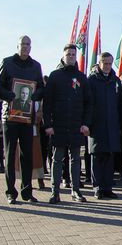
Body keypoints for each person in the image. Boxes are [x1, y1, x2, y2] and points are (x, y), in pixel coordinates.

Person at [0, 35, 44, 204]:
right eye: (22, 44)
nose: (25, 47)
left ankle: (27, 191)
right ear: (17, 46)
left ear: (31, 47)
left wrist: (33, 96)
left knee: (27, 155)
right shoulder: (7, 62)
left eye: (28, 44)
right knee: (9, 156)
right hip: (9, 117)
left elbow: (41, 88)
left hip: (27, 117)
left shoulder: (36, 66)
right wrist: (10, 96)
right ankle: (10, 192)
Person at [43, 44, 91, 203]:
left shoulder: (81, 77)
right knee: (57, 160)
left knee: (76, 160)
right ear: (63, 56)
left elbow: (88, 103)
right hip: (58, 125)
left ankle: (76, 190)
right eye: (68, 54)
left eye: (73, 54)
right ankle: (54, 192)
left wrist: (85, 123)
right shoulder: (55, 76)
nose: (71, 56)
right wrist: (48, 124)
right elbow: (47, 103)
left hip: (77, 125)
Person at [88, 51, 122, 199]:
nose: (108, 66)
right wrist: (87, 124)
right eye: (105, 64)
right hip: (96, 125)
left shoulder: (116, 81)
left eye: (110, 63)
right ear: (100, 63)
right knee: (97, 157)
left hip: (112, 125)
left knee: (109, 157)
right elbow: (88, 104)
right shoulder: (92, 80)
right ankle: (97, 187)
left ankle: (107, 187)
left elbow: (120, 103)